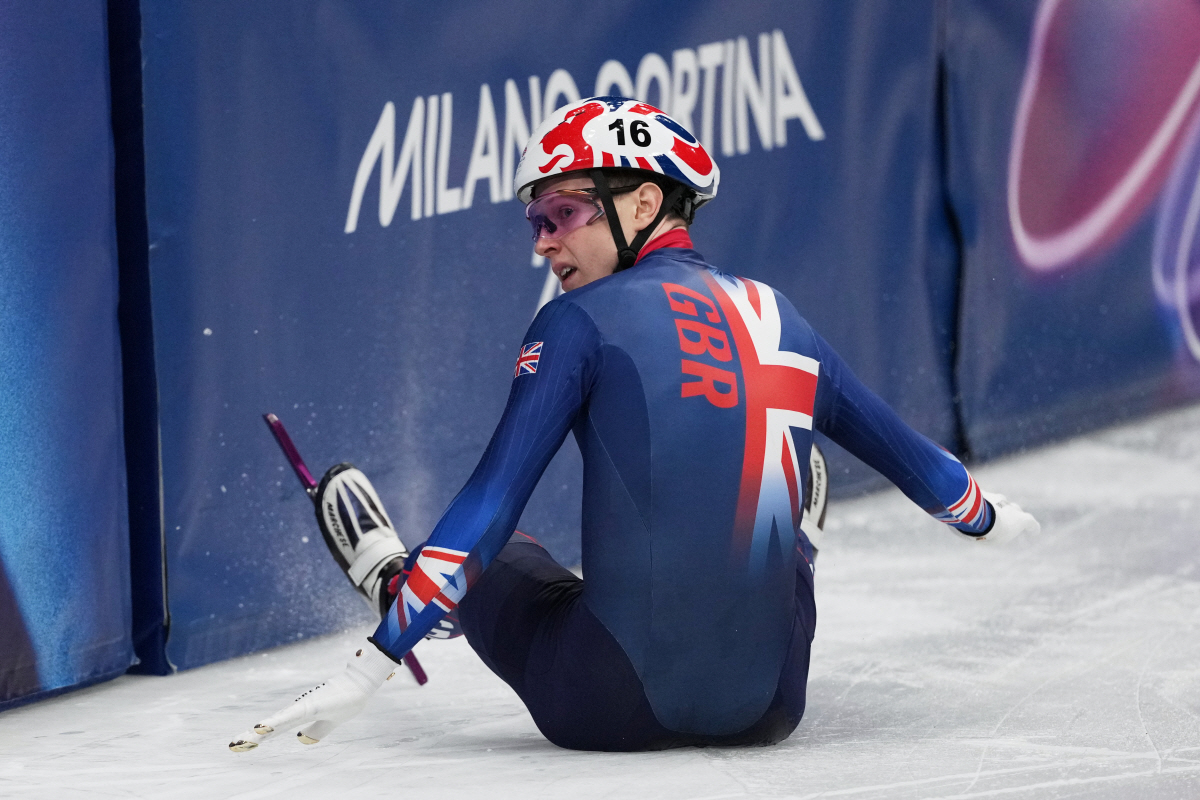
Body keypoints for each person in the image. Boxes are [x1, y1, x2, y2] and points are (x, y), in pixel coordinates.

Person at [230, 97, 1038, 753]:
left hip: (601, 704)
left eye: (563, 211)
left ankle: (393, 580)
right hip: (771, 708)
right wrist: (988, 517)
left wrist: (375, 662)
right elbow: (921, 470)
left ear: (644, 202)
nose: (545, 242)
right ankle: (801, 529)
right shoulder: (780, 314)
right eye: (535, 222)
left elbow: (491, 507)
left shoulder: (578, 321)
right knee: (776, 529)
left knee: (506, 552)